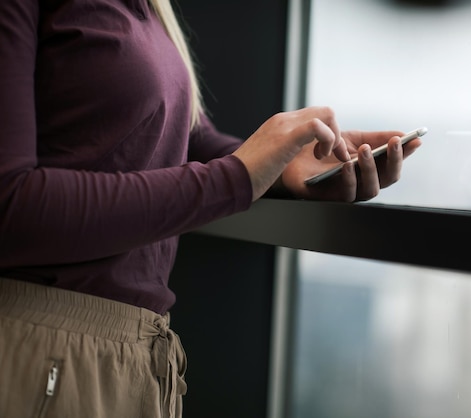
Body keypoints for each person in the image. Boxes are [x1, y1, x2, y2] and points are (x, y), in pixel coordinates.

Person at [0, 1, 423, 417]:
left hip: (132, 358)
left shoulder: (154, 7)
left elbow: (188, 143)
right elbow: (10, 203)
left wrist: (286, 168)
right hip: (46, 351)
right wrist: (238, 176)